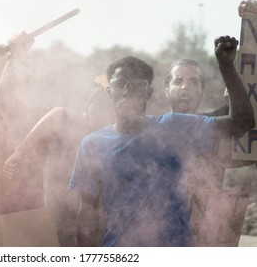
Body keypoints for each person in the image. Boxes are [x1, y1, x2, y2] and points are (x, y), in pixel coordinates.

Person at [69, 35, 255, 247]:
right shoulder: (91, 145)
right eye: (121, 83)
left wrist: (225, 65)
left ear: (148, 92)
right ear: (109, 91)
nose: (128, 90)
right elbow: (88, 215)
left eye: (137, 84)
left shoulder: (174, 126)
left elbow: (242, 122)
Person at [3, 82, 115, 246]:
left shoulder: (109, 139)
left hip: (89, 225)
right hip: (54, 216)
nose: (100, 110)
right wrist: (18, 153)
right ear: (88, 105)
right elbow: (55, 116)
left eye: (106, 106)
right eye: (96, 103)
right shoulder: (66, 121)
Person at [164, 59, 255, 246]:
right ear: (166, 89)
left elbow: (244, 118)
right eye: (178, 80)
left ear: (202, 91)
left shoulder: (216, 126)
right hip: (160, 234)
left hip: (206, 237)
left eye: (194, 82)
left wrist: (233, 92)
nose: (185, 87)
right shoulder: (153, 130)